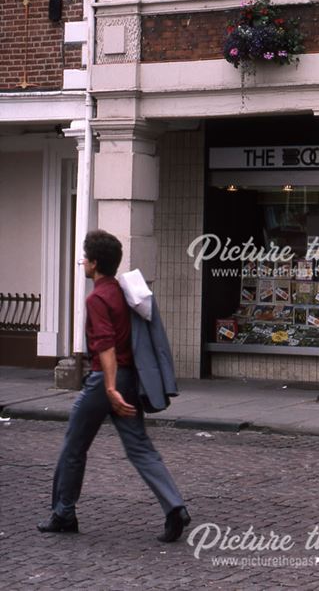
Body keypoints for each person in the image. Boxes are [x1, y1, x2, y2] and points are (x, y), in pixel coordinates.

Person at [37, 230, 191, 543]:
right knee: (140, 448)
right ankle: (174, 506)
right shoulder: (123, 291)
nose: (81, 262)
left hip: (104, 381)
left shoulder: (97, 298)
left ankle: (64, 512)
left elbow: (105, 348)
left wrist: (109, 388)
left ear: (94, 263)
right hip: (131, 379)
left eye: (84, 257)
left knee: (73, 447)